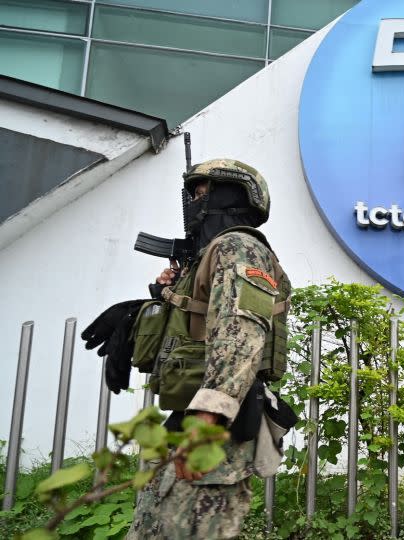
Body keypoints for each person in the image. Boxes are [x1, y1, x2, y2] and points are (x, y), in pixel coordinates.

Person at [126, 158, 291, 539]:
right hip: (189, 417)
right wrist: (164, 294)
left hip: (216, 428)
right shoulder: (211, 252)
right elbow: (194, 327)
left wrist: (208, 420)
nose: (196, 201)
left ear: (233, 195)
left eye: (204, 192)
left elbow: (241, 335)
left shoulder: (240, 247)